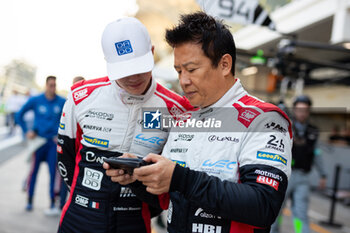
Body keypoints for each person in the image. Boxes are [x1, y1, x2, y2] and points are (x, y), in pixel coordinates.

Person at [105, 12, 293, 233]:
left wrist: (181, 178)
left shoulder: (265, 119)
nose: (183, 81)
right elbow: (168, 198)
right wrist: (138, 177)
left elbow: (263, 206)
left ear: (224, 64)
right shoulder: (184, 118)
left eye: (192, 69)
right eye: (179, 71)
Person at [57, 17, 192, 233]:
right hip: (79, 217)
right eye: (123, 70)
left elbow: (175, 173)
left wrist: (148, 203)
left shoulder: (176, 108)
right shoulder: (81, 96)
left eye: (139, 67)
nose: (133, 77)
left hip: (135, 221)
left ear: (152, 52)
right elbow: (65, 156)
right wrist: (85, 198)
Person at [271, 95, 327, 233]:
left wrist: (323, 174)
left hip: (303, 177)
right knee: (276, 211)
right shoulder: (284, 126)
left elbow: (317, 153)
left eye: (305, 110)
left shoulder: (313, 131)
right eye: (299, 110)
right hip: (284, 175)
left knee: (300, 213)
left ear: (309, 111)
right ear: (294, 110)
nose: (302, 113)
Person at [16, 75, 65, 214]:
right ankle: (29, 200)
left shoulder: (61, 101)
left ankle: (51, 202)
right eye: (50, 85)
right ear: (46, 85)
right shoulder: (36, 100)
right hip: (38, 142)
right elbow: (19, 115)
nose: (52, 87)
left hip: (52, 143)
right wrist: (27, 131)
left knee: (53, 173)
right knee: (33, 172)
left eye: (55, 85)